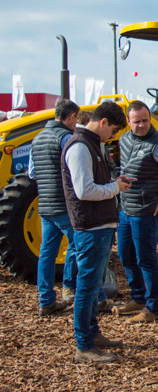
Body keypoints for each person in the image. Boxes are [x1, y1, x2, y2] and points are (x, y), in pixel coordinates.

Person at [61, 101, 132, 364]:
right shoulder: (80, 146)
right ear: (103, 123)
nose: (113, 136)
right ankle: (84, 345)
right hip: (91, 226)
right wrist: (115, 188)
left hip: (97, 225)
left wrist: (115, 185)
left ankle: (91, 335)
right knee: (87, 287)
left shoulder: (91, 144)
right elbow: (84, 191)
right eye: (113, 130)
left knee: (91, 286)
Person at [114, 101, 158, 323]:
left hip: (146, 210)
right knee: (125, 254)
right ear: (128, 122)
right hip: (126, 208)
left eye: (146, 120)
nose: (142, 125)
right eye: (137, 122)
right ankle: (138, 297)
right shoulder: (124, 140)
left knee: (145, 258)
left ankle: (153, 307)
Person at [31, 98, 79, 316]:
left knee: (47, 253)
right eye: (76, 118)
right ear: (70, 117)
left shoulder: (37, 139)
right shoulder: (65, 138)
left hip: (45, 205)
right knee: (77, 246)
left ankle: (46, 300)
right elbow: (75, 170)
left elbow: (32, 173)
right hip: (64, 205)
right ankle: (69, 288)